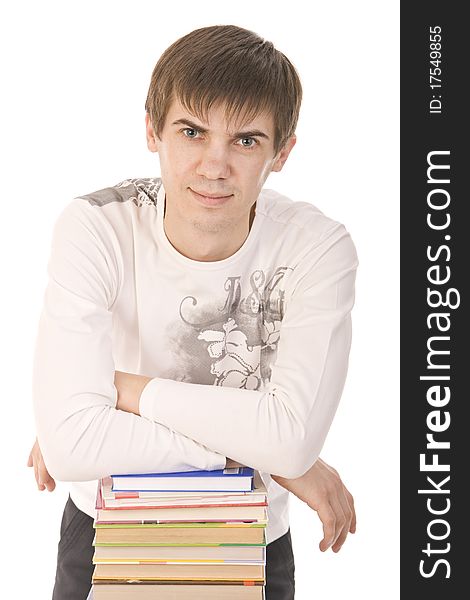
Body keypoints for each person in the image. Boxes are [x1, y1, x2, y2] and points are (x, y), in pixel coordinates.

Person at [28, 24, 358, 600]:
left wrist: (115, 391)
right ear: (153, 130)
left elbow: (290, 438)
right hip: (107, 530)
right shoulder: (96, 225)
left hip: (250, 537)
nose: (214, 165)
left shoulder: (317, 248)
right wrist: (271, 457)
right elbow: (70, 445)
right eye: (192, 131)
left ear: (282, 152)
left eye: (247, 141)